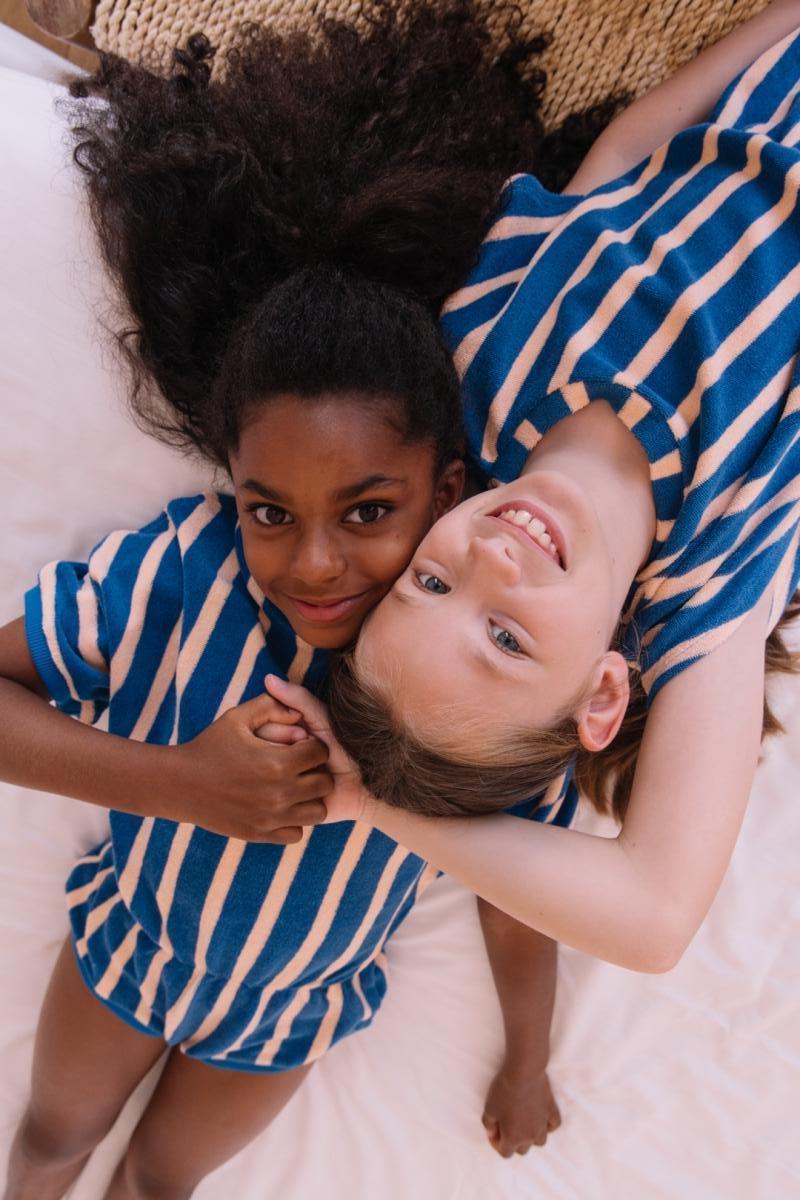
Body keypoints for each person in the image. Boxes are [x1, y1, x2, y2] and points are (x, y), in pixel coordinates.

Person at [1, 5, 616, 1197]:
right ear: (229, 490)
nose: (314, 564)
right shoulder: (185, 576)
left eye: (369, 511)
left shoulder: (494, 673)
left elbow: (516, 894)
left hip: (286, 1011)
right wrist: (175, 783)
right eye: (269, 510)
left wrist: (526, 1060)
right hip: (130, 943)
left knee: (159, 1182)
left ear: (446, 492)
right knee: (48, 1142)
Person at [267, 1, 800, 980]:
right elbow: (653, 919)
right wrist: (370, 806)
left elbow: (621, 159)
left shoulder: (482, 363)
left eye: (431, 583)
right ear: (603, 692)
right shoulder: (707, 584)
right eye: (507, 639)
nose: (491, 561)